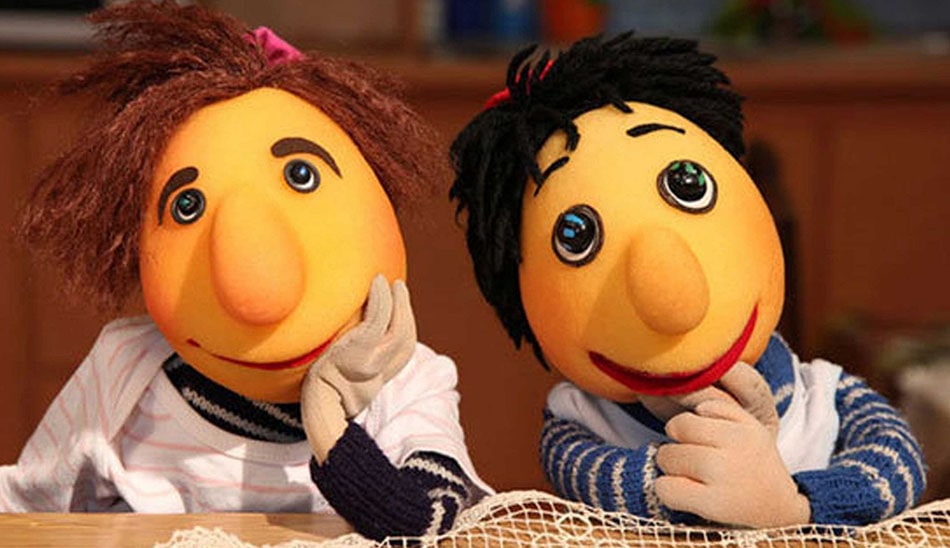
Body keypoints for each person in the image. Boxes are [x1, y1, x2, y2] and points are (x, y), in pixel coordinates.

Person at [5, 1, 488, 541]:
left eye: (302, 175)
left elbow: (425, 524)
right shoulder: (124, 370)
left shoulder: (407, 382)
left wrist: (326, 416)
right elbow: (21, 512)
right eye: (186, 206)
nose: (255, 297)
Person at [449, 33, 925, 526]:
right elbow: (599, 482)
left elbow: (899, 465)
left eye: (687, 185)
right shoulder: (580, 421)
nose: (674, 305)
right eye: (576, 235)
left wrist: (796, 503)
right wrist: (701, 478)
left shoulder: (820, 392)